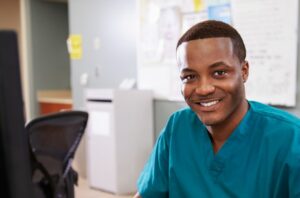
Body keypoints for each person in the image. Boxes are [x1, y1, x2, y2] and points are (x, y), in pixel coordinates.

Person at [134, 20, 300, 198]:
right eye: (189, 76)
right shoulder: (177, 127)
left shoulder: (291, 139)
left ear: (244, 71)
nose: (204, 89)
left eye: (219, 73)